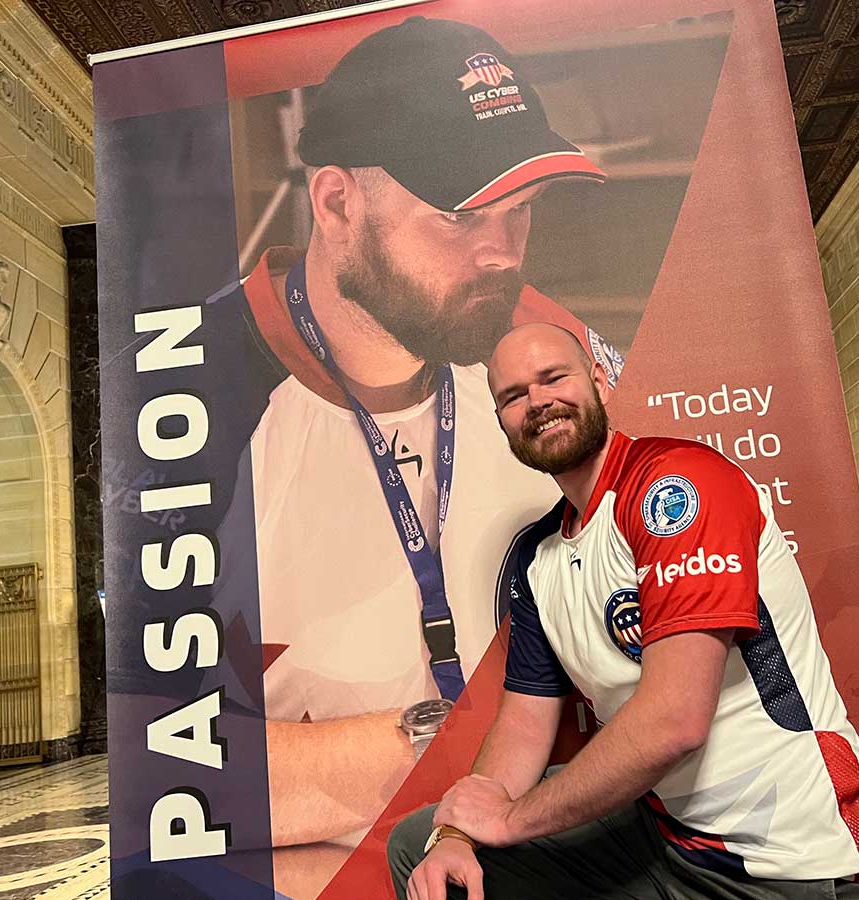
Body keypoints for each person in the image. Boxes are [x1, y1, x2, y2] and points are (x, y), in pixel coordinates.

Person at [204, 15, 625, 892]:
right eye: (459, 214)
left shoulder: (552, 358)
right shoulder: (197, 400)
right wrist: (461, 738)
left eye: (521, 211)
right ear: (334, 203)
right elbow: (175, 777)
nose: (500, 254)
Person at [388, 323, 859, 900]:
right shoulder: (538, 557)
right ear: (501, 420)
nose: (538, 402)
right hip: (665, 841)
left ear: (600, 381)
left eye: (554, 377)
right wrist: (459, 833)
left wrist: (507, 820)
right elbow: (526, 721)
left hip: (793, 862)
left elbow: (674, 721)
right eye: (512, 396)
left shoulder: (678, 485)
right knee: (421, 849)